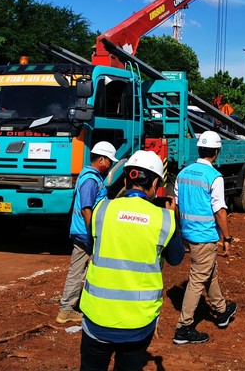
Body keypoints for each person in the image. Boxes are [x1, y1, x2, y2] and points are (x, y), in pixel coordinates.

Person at [79, 150, 184, 370]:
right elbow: (176, 259)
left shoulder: (102, 209)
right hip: (138, 323)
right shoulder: (164, 219)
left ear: (126, 180)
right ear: (155, 183)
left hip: (97, 318)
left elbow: (90, 248)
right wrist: (174, 216)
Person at [173, 130, 237, 344]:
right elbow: (219, 211)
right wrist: (227, 238)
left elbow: (177, 205)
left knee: (209, 271)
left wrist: (181, 231)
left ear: (199, 149)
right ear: (217, 152)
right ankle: (184, 328)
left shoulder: (183, 173)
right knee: (197, 279)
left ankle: (221, 311)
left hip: (189, 233)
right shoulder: (214, 177)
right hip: (205, 236)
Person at [56, 141, 117, 324]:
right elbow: (86, 209)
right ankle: (66, 309)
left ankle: (73, 305)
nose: (110, 165)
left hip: (83, 232)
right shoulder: (91, 180)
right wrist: (92, 234)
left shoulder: (89, 176)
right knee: (78, 270)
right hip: (85, 233)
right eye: (109, 161)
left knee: (81, 269)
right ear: (101, 159)